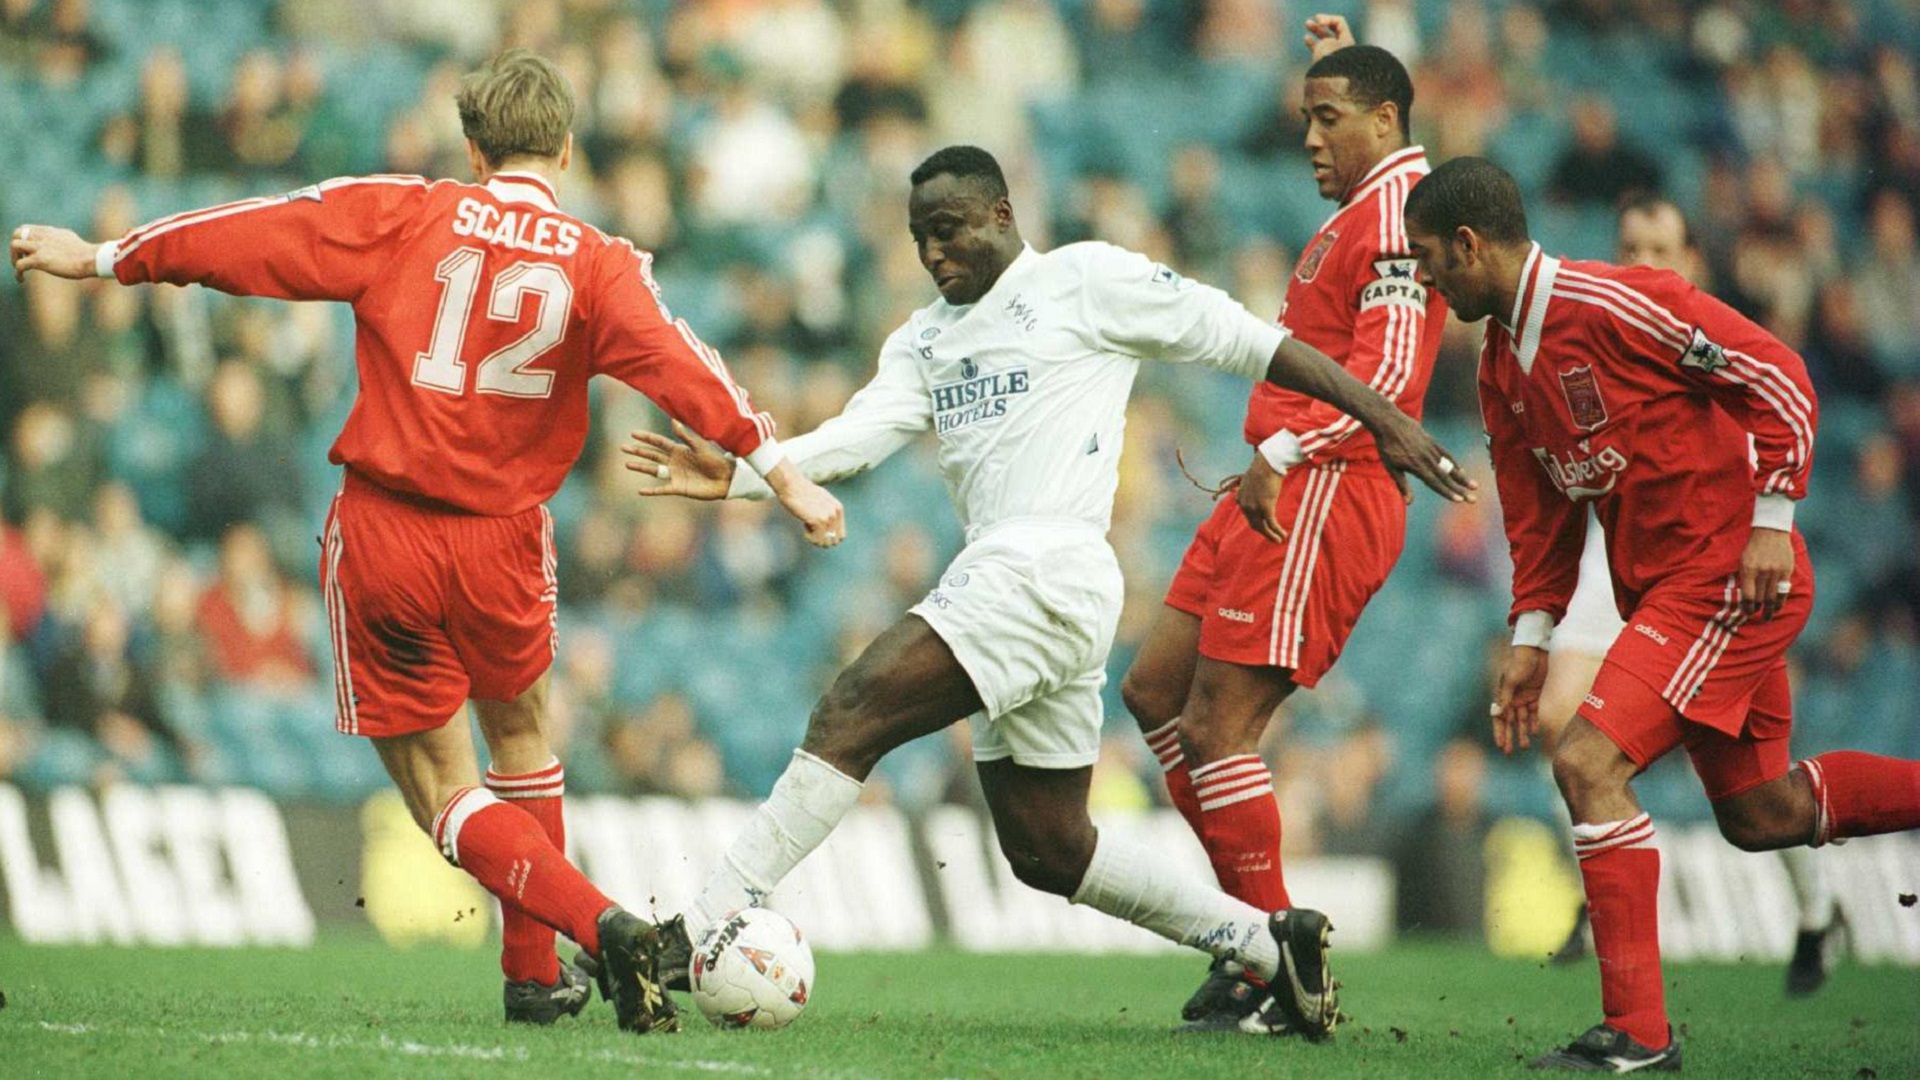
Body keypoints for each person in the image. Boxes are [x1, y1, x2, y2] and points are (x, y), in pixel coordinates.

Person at [9, 48, 845, 1034]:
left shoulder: (406, 211)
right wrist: (781, 471)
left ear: (473, 146)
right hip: (504, 544)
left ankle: (590, 932)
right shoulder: (596, 259)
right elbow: (680, 361)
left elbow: (253, 237)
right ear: (568, 150)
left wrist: (106, 258)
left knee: (440, 792)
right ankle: (533, 972)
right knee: (524, 739)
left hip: (384, 533)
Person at [625, 144, 1475, 1042]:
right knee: (1047, 848)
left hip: (1048, 567)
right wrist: (748, 473)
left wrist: (1383, 416)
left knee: (851, 710)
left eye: (948, 229)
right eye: (919, 236)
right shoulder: (923, 339)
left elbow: (1246, 339)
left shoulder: (1085, 281)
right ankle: (1267, 947)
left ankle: (692, 930)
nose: (933, 252)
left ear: (1000, 214)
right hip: (1014, 582)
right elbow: (857, 435)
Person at [1401, 156, 1920, 1071]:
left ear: (1471, 245)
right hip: (1670, 593)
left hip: (1729, 576)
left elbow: (1783, 377)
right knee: (1762, 813)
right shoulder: (1498, 368)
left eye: (1431, 258)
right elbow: (1538, 516)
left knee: (1588, 761)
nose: (1427, 278)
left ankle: (1637, 1033)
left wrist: (1772, 517)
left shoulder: (1614, 305)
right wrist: (1531, 636)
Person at [1117, 19, 1450, 1032]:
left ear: (1385, 120)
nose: (1309, 137)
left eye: (1329, 118)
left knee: (1219, 726)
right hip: (1273, 480)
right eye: (1306, 116)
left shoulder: (1397, 217)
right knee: (1154, 693)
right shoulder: (1366, 205)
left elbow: (1388, 380)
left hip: (1322, 484)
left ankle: (1273, 959)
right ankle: (1255, 946)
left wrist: (1281, 453)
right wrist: (1347, 54)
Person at [1544, 194, 1844, 996]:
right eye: (1631, 245)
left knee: (1729, 786)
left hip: (1719, 568)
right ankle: (1599, 885)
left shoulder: (1703, 343)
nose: (1645, 261)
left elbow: (1778, 413)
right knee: (1568, 724)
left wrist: (1771, 525)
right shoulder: (1605, 331)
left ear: (1692, 262)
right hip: (1622, 562)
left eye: (1663, 248)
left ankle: (1813, 906)